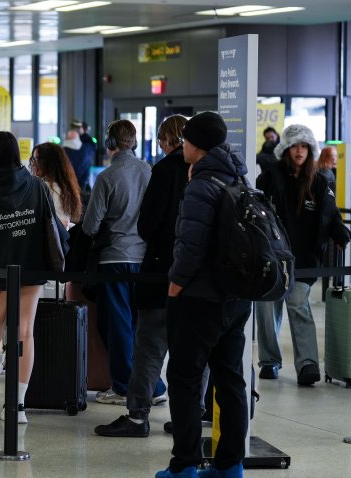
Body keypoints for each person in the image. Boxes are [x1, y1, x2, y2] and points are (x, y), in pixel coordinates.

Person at [157, 111, 251, 478]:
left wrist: (174, 287)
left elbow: (191, 247)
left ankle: (184, 466)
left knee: (185, 378)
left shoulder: (201, 185)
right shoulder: (239, 178)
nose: (182, 146)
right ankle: (230, 465)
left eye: (187, 140)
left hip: (200, 298)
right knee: (230, 380)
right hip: (236, 297)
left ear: (198, 145)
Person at [95, 115, 188, 438]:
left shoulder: (113, 176)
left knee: (129, 329)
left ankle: (130, 398)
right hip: (170, 267)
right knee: (171, 338)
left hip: (126, 261)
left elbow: (96, 224)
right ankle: (173, 400)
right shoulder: (152, 170)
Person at [0, 131, 63, 424]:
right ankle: (18, 405)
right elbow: (50, 225)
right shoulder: (36, 185)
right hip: (31, 268)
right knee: (24, 333)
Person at [256, 125, 350, 385]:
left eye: (304, 146)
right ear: (286, 149)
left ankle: (307, 364)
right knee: (266, 309)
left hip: (304, 259)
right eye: (295, 146)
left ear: (310, 150)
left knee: (299, 307)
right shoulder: (270, 177)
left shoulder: (320, 182)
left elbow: (331, 215)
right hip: (272, 258)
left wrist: (341, 235)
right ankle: (269, 361)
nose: (299, 151)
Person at [82, 119, 151, 406]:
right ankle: (150, 384)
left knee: (119, 324)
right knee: (141, 326)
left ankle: (124, 387)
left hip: (114, 259)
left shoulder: (107, 177)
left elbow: (90, 225)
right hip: (144, 259)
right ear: (134, 142)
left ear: (110, 144)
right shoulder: (149, 171)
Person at [30, 142, 82, 229]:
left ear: (48, 162)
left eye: (36, 159)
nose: (33, 163)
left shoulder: (47, 188)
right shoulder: (64, 186)